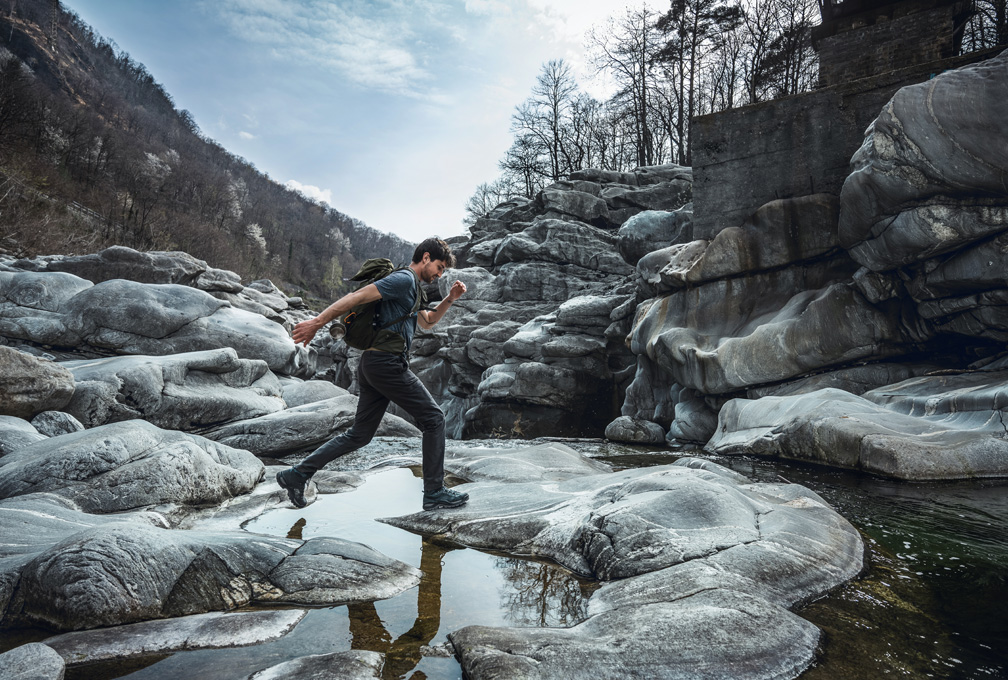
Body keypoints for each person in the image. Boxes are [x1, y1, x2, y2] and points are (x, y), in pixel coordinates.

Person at [276, 237, 470, 511]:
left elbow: (428, 321)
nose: (439, 274)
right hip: (386, 363)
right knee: (435, 418)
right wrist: (318, 322)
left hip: (373, 364)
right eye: (439, 267)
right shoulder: (403, 280)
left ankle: (296, 474)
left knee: (360, 434)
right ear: (425, 258)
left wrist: (450, 299)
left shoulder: (412, 290)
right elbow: (357, 297)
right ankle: (435, 491)